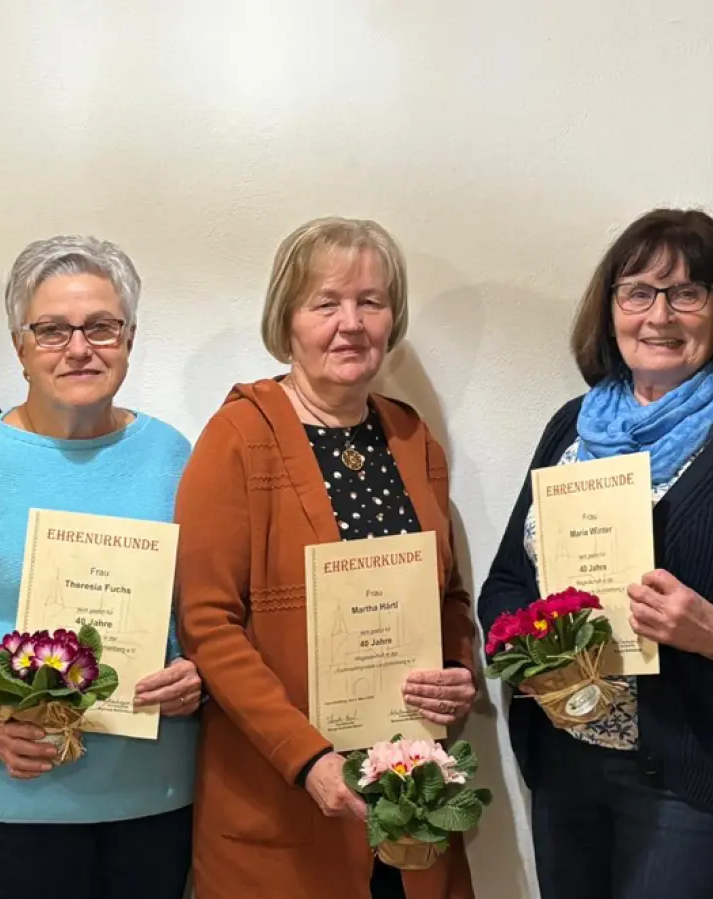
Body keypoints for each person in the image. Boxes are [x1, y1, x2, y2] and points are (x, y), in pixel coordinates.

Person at [477, 208, 713, 899]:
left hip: (704, 782)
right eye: (638, 291)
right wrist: (532, 651)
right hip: (567, 771)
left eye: (687, 292)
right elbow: (508, 580)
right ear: (611, 307)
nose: (659, 314)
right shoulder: (572, 428)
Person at [0, 235, 203, 899]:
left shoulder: (174, 458)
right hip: (10, 802)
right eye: (53, 329)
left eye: (101, 326)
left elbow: (208, 613)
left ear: (131, 336)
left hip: (154, 798)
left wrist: (197, 672)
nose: (79, 346)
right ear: (20, 345)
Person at [175, 216, 479, 899]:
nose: (351, 323)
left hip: (411, 800)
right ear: (287, 322)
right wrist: (308, 758)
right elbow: (209, 623)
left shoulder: (411, 436)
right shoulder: (237, 436)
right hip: (281, 800)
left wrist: (457, 669)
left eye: (370, 302)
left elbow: (448, 594)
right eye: (326, 303)